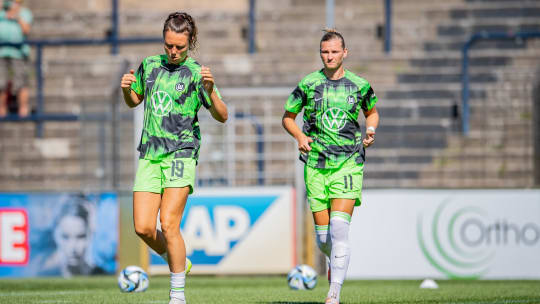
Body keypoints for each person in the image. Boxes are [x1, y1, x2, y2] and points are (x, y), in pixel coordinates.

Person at [120, 11, 228, 304]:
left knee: (169, 224)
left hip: (181, 154)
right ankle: (178, 258)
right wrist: (127, 91)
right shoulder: (150, 66)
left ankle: (177, 295)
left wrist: (210, 90)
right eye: (169, 45)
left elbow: (222, 116)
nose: (173, 51)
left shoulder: (196, 73)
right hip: (150, 154)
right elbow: (134, 102)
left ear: (190, 42)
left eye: (179, 47)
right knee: (142, 227)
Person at [282, 29, 379, 304]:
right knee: (325, 239)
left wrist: (370, 129)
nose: (329, 56)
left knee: (339, 230)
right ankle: (331, 260)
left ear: (344, 53)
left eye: (335, 51)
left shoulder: (359, 85)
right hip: (315, 165)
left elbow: (371, 111)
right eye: (325, 52)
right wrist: (300, 136)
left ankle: (333, 293)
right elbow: (288, 117)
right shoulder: (309, 84)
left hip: (348, 163)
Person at [39, 197, 105, 277]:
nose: (73, 247)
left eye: (80, 237)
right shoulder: (46, 274)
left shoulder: (101, 274)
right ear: (56, 236)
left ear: (90, 235)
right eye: (66, 237)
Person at [0, 0, 32, 117]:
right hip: (1, 51)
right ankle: (1, 109)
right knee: (1, 82)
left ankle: (23, 108)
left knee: (21, 81)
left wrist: (17, 16)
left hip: (18, 52)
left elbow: (26, 30)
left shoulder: (24, 13)